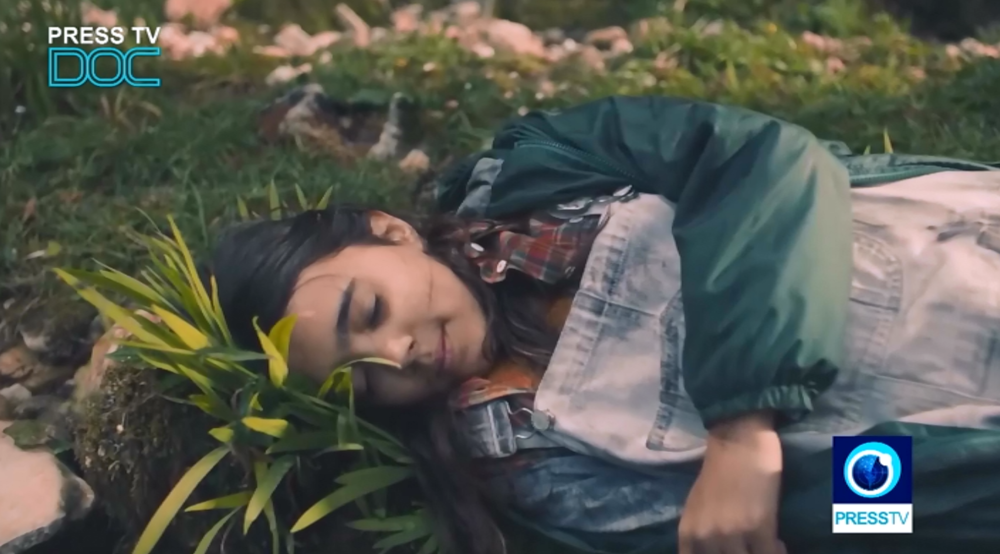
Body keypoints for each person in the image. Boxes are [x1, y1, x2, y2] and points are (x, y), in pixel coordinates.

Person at [206, 95, 1000, 554]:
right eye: (364, 376)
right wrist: (962, 480)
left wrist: (740, 424)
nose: (399, 352)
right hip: (952, 433)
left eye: (369, 312)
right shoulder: (521, 466)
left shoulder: (540, 170)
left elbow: (767, 162)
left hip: (958, 251)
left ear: (387, 229)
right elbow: (828, 511)